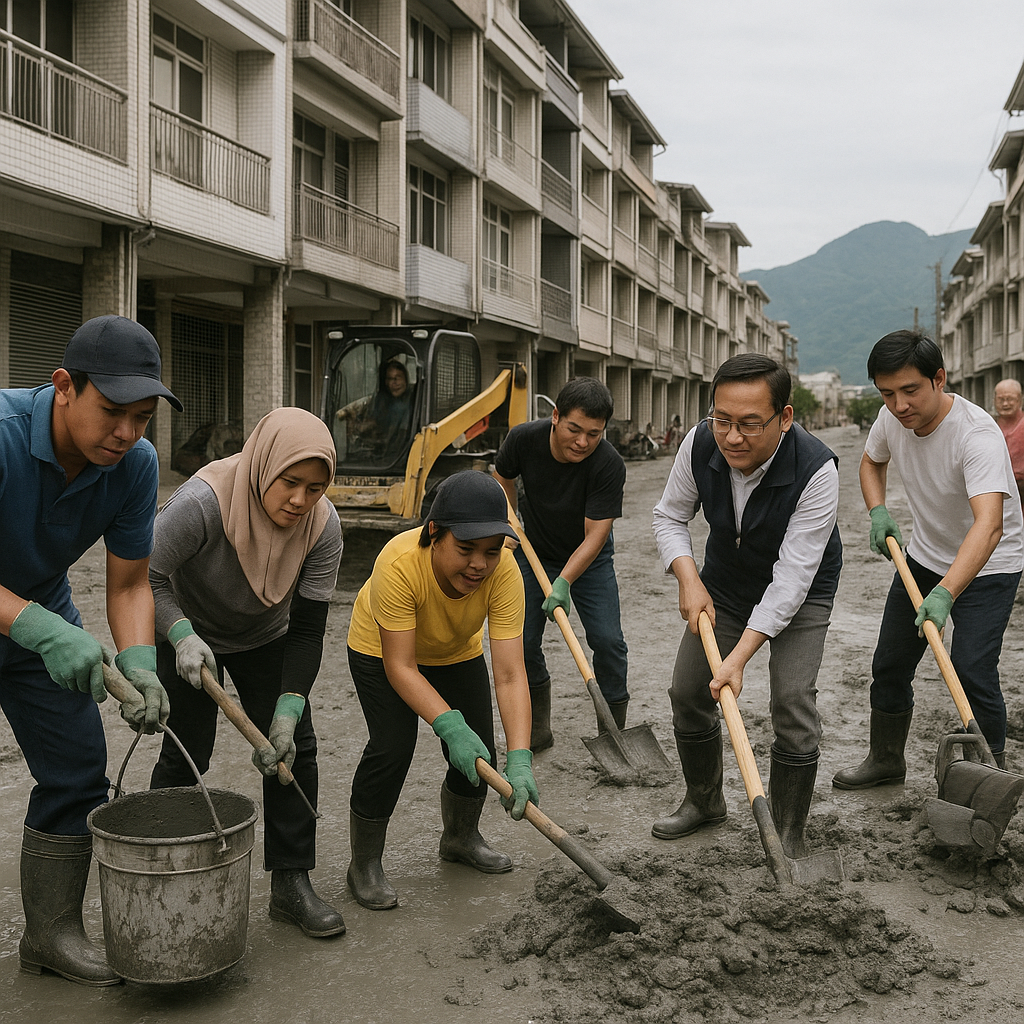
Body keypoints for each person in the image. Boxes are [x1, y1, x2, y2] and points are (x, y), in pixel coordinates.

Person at [0, 315, 179, 986]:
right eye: (112, 412)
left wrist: (139, 661)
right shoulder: (3, 437)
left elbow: (131, 581)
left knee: (78, 767)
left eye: (141, 417)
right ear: (63, 386)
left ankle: (50, 934)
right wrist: (40, 629)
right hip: (32, 620)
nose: (127, 434)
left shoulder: (134, 466)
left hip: (36, 607)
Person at [148, 407, 346, 938]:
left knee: (291, 747)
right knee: (188, 748)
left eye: (315, 487)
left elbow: (307, 629)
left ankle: (291, 882)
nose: (300, 501)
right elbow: (145, 578)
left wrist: (289, 706)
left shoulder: (323, 527)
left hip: (266, 633)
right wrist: (181, 635)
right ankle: (160, 867)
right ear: (264, 465)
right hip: (186, 629)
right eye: (290, 482)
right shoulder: (200, 503)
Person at [650, 354, 842, 858]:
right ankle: (704, 800)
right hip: (725, 586)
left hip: (802, 594)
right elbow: (669, 517)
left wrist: (740, 657)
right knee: (688, 690)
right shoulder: (698, 444)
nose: (733, 437)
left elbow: (792, 579)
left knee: (792, 703)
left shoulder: (817, 469)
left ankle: (788, 833)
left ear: (785, 418)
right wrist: (688, 579)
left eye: (750, 424)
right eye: (723, 420)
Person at [834, 331, 1024, 787]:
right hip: (924, 556)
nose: (899, 405)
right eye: (887, 393)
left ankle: (988, 779)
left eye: (910, 390)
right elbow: (870, 461)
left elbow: (989, 525)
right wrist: (878, 510)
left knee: (972, 667)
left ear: (939, 379)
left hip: (990, 563)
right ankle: (886, 760)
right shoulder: (890, 418)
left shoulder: (977, 435)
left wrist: (945, 592)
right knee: (890, 663)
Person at [345, 471, 537, 911]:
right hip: (381, 651)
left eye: (490, 552)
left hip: (453, 650)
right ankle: (364, 864)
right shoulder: (398, 564)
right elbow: (401, 666)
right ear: (435, 533)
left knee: (479, 752)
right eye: (465, 549)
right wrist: (447, 724)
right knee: (392, 747)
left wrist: (521, 757)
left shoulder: (505, 572)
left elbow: (509, 674)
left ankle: (460, 837)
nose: (478, 565)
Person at [494, 377, 628, 752]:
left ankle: (613, 733)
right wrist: (511, 520)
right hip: (533, 550)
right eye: (574, 429)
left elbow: (596, 534)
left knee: (609, 642)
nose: (582, 442)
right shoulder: (523, 439)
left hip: (589, 560)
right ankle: (537, 727)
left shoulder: (608, 464)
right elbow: (502, 475)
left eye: (594, 433)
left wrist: (565, 581)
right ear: (555, 416)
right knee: (521, 641)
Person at [336, 359, 414, 460]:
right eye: (390, 379)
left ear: (406, 379)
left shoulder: (413, 400)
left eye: (397, 378)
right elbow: (344, 414)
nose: (393, 383)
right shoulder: (381, 400)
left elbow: (401, 434)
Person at [994, 378, 1024, 506]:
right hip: (997, 493)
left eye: (1010, 399)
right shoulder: (988, 425)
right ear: (994, 401)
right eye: (1001, 400)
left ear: (1020, 400)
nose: (1005, 404)